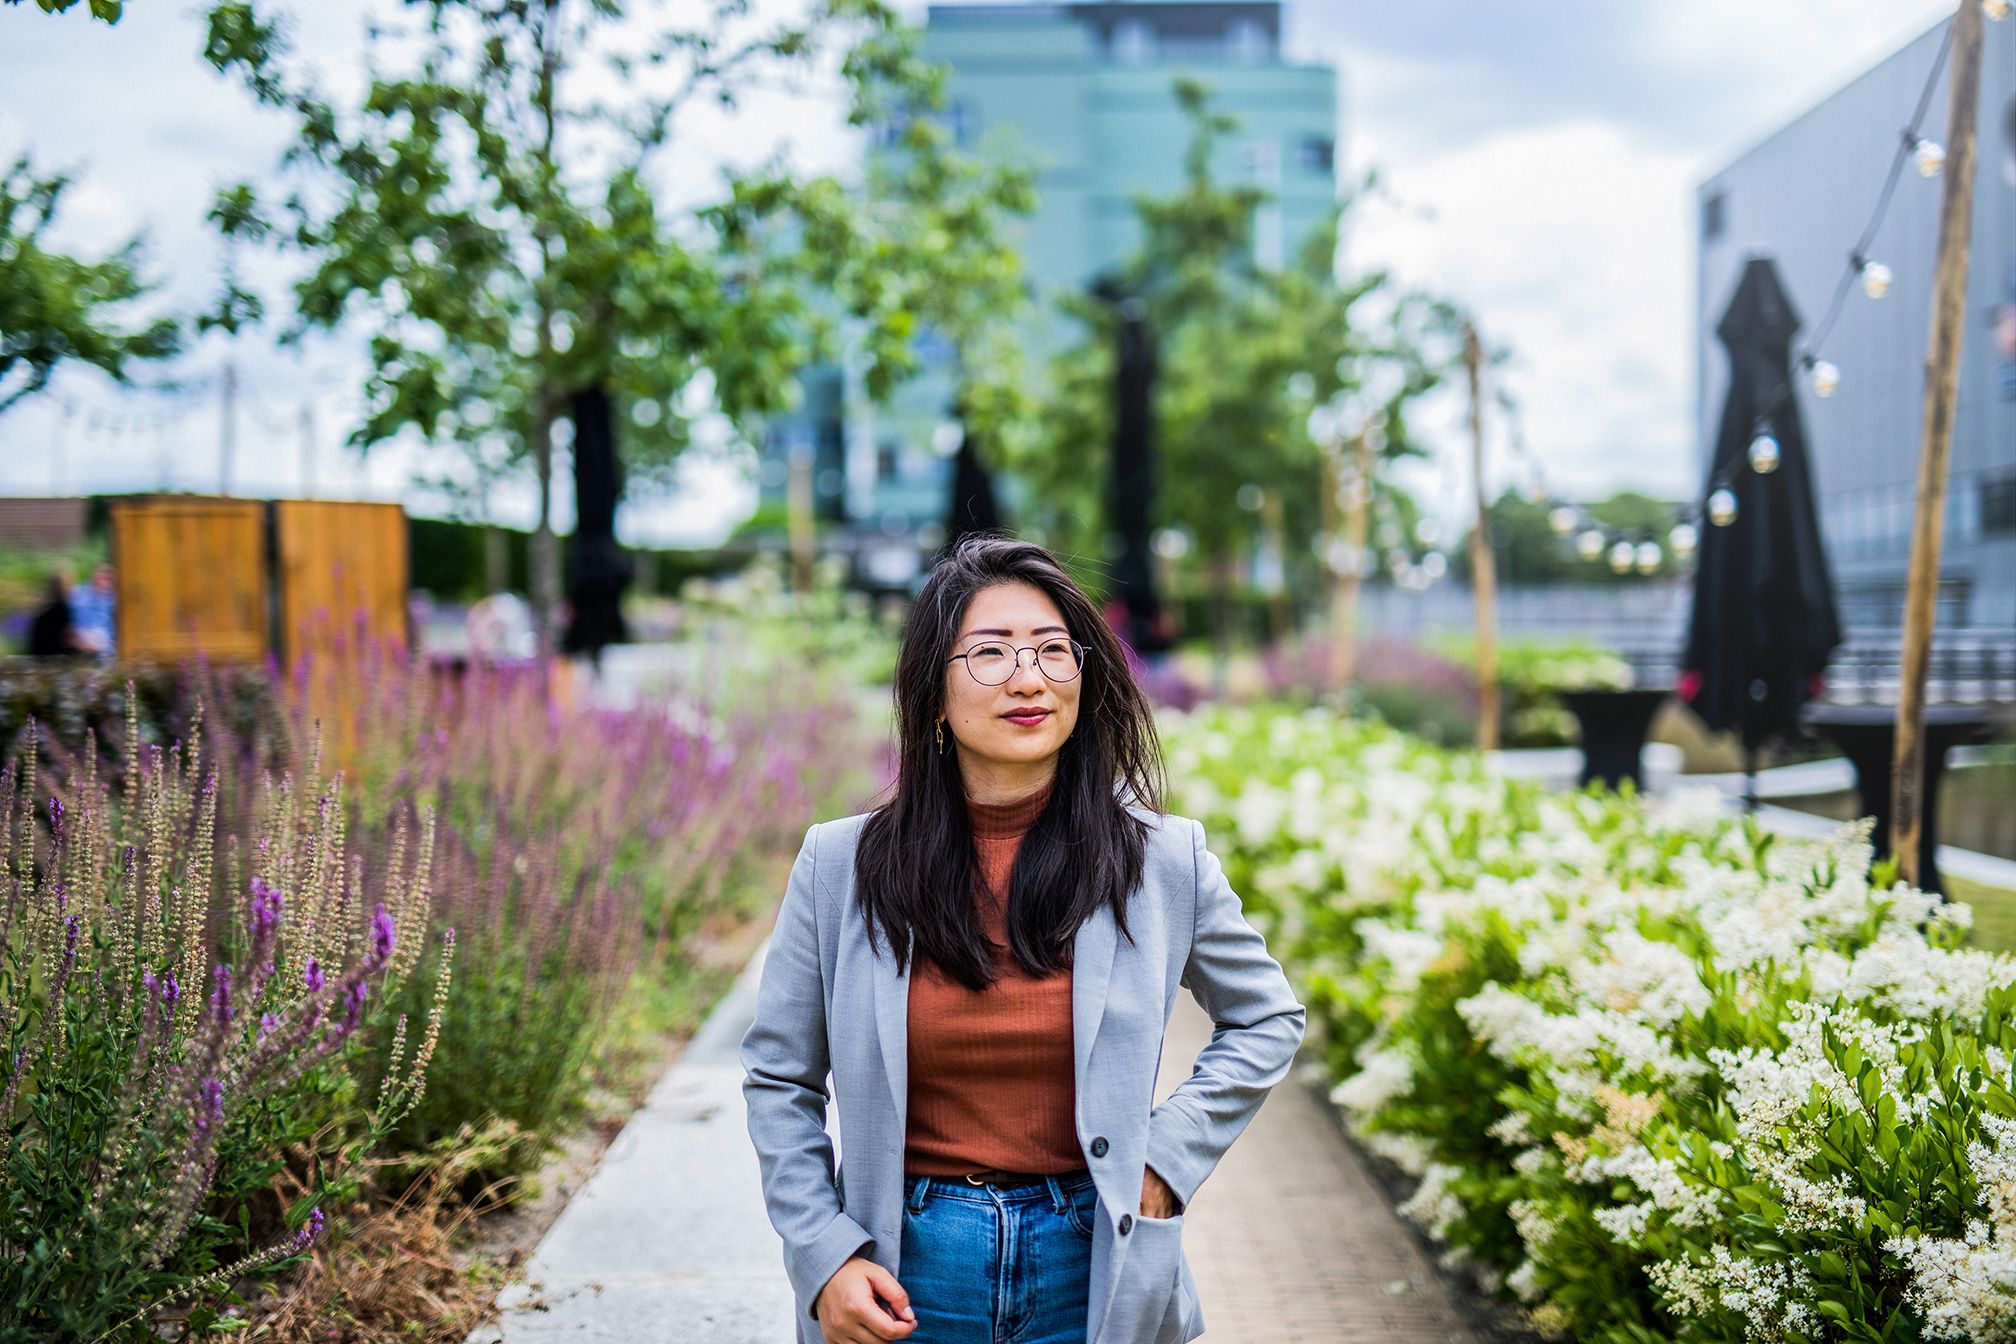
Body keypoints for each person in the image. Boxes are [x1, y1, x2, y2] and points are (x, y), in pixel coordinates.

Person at [741, 532, 1306, 1344]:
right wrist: (824, 1254)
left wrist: (1165, 1163)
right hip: (905, 1271)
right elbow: (778, 1074)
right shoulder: (841, 865)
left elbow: (1267, 1018)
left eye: (1051, 650)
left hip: (1094, 1261)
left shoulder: (1160, 859)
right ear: (932, 691)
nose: (1029, 677)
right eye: (991, 654)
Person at [26, 565, 90, 657]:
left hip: (37, 655)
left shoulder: (42, 607)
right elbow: (70, 639)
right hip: (54, 658)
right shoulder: (62, 609)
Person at [68, 563, 117, 657]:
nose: (106, 576)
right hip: (80, 645)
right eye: (103, 573)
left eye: (109, 574)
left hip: (106, 649)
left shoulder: (114, 598)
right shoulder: (77, 593)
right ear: (93, 575)